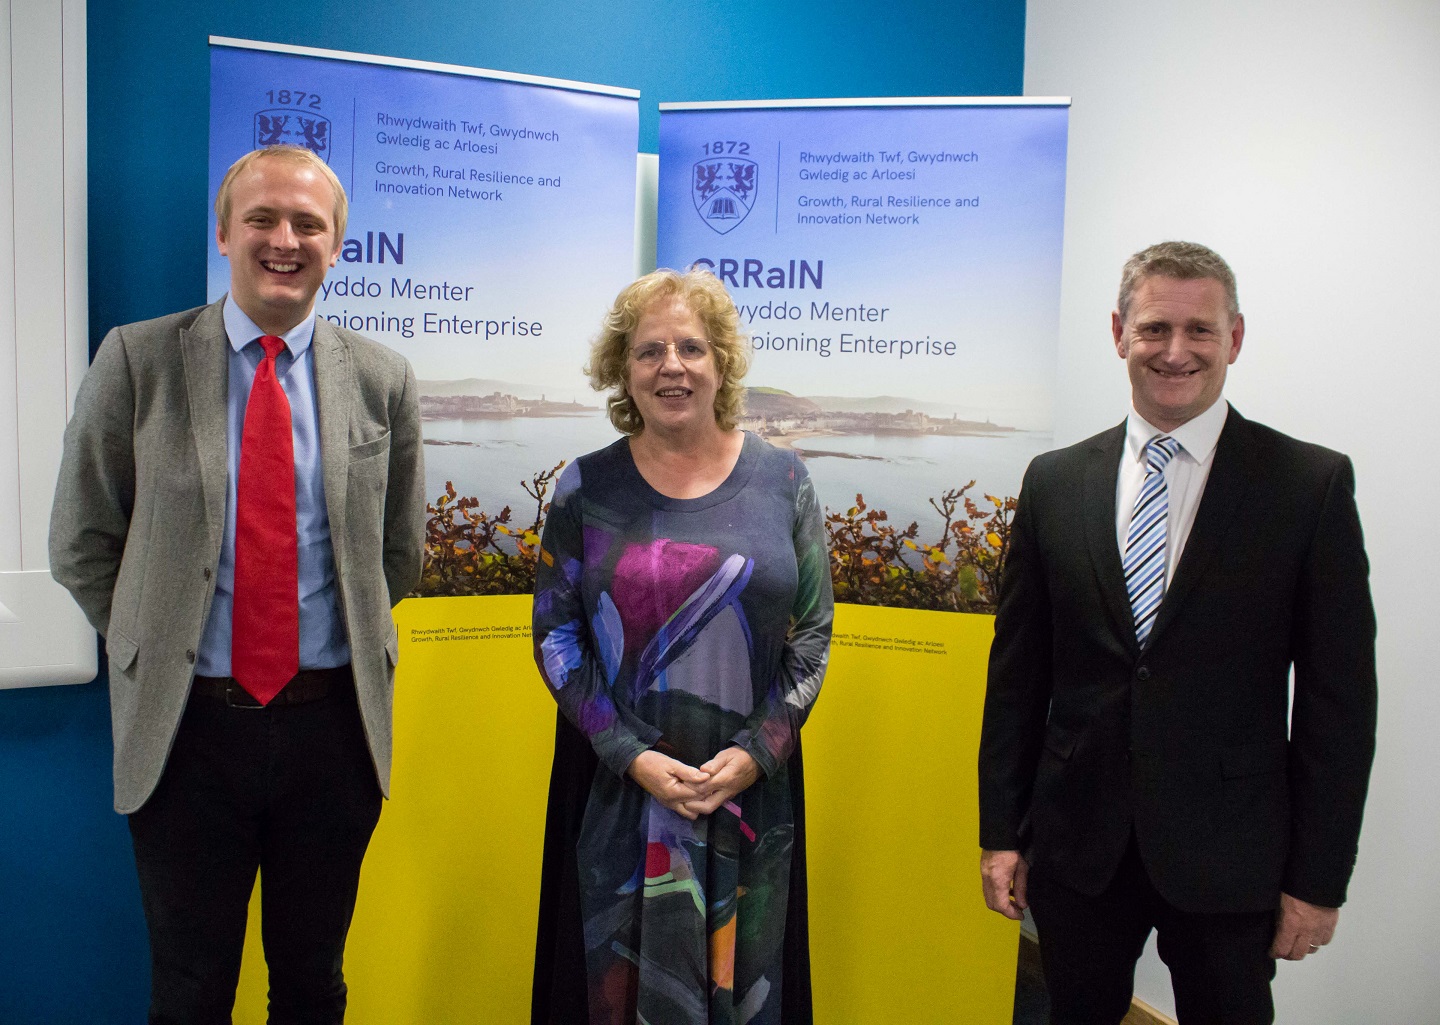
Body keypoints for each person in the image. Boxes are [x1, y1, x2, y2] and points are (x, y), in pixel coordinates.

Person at [49, 145, 425, 1024]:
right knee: (188, 990)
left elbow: (396, 555)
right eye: (262, 218)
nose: (284, 238)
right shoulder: (138, 361)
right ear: (224, 233)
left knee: (311, 982)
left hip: (334, 733)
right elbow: (82, 539)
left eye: (308, 223)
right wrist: (154, 634)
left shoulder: (381, 378)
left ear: (338, 245)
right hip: (188, 737)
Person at [977, 241, 1377, 1024]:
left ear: (1234, 339)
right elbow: (1017, 680)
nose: (1175, 351)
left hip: (1230, 856)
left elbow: (1339, 705)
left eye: (1200, 330)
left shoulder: (1308, 486)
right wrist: (1000, 833)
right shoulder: (1055, 481)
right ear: (1120, 331)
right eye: (1156, 327)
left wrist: (1318, 879)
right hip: (1077, 847)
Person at [529, 268, 833, 1025]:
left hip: (750, 793)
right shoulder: (582, 488)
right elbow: (555, 635)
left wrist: (757, 750)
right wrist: (629, 751)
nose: (672, 365)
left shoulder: (785, 479)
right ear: (621, 369)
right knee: (614, 990)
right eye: (649, 350)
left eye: (692, 347)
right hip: (619, 790)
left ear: (722, 363)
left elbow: (814, 633)